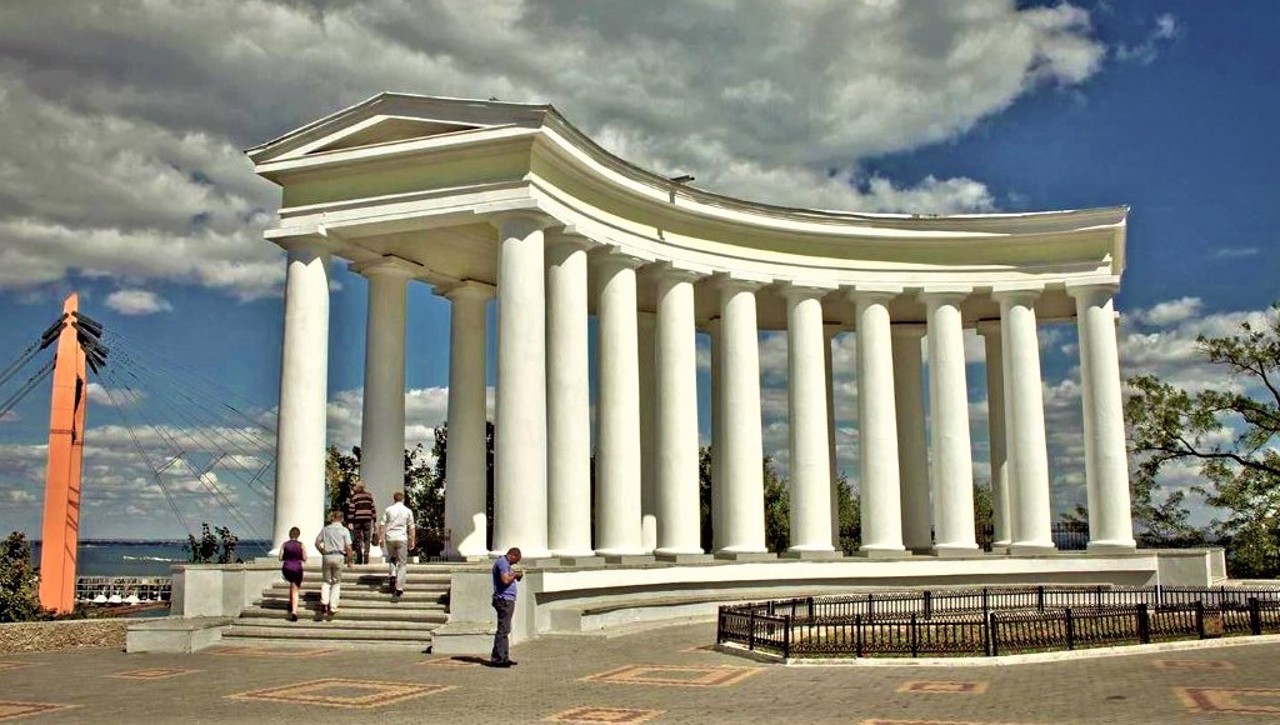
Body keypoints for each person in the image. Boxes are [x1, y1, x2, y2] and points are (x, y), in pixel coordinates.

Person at [315, 509, 353, 620]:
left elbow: (317, 542)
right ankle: (333, 606)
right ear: (342, 519)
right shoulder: (344, 530)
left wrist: (322, 551)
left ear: (333, 518)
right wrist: (349, 560)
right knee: (336, 582)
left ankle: (324, 601)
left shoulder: (325, 529)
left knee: (326, 581)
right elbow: (348, 547)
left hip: (327, 555)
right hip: (339, 555)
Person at [490, 547, 524, 667]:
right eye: (516, 560)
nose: (515, 563)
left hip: (506, 599)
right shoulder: (502, 563)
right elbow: (505, 580)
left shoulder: (505, 564)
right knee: (503, 630)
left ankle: (503, 657)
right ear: (513, 555)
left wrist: (515, 575)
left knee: (505, 629)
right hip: (504, 600)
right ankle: (498, 659)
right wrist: (514, 574)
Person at [378, 491, 415, 598]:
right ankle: (399, 588)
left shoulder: (388, 510)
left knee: (392, 558)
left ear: (394, 499)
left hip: (390, 537)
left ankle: (392, 574)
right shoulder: (407, 511)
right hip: (402, 538)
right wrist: (412, 540)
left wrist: (381, 538)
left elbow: (382, 524)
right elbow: (411, 526)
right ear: (402, 499)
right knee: (402, 563)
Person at [345, 480, 376, 565]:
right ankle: (366, 555)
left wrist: (350, 521)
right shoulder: (369, 496)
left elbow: (352, 509)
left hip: (357, 520)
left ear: (358, 488)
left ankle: (359, 557)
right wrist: (374, 519)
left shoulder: (355, 497)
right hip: (367, 519)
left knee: (357, 539)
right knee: (367, 538)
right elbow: (373, 508)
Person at [279, 526, 306, 622]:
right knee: (295, 589)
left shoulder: (284, 544)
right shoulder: (301, 545)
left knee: (292, 583)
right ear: (298, 535)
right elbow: (305, 558)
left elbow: (280, 557)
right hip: (297, 568)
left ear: (290, 534)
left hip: (286, 568)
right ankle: (294, 612)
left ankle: (290, 603)